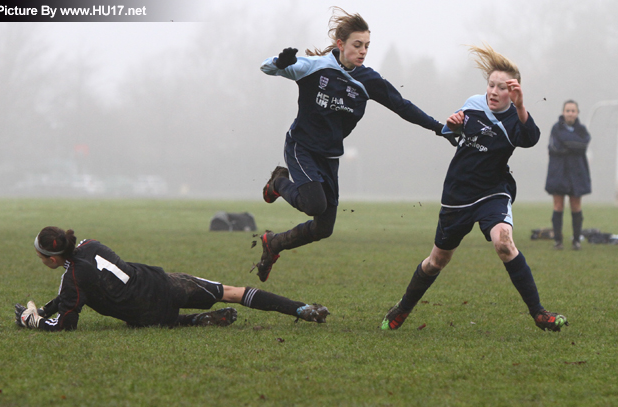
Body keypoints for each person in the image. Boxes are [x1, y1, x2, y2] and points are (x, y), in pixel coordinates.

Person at [252, 7, 457, 282]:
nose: (363, 51)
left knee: (324, 228)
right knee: (314, 204)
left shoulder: (368, 80)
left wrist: (438, 128)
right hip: (301, 147)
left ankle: (274, 244)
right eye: (357, 45)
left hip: (330, 156)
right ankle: (278, 182)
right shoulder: (314, 67)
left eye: (367, 46)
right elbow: (267, 67)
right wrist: (280, 61)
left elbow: (402, 106)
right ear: (340, 44)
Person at [381, 44, 568, 333]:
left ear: (513, 91)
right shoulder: (473, 103)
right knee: (436, 261)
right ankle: (403, 307)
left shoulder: (515, 118)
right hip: (457, 195)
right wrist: (453, 123)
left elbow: (530, 138)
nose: (493, 91)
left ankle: (539, 313)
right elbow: (450, 132)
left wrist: (520, 106)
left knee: (504, 242)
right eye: (491, 85)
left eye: (502, 87)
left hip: (493, 191)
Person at [14, 226, 329, 331]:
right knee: (231, 291)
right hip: (164, 283)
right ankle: (302, 309)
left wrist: (34, 320)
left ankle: (192, 322)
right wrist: (44, 308)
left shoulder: (73, 278)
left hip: (147, 315)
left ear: (53, 259)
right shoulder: (90, 245)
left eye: (41, 257)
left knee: (157, 319)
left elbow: (67, 320)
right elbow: (72, 295)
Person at [544, 100, 591, 251]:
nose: (570, 113)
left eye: (573, 111)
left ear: (577, 113)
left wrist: (567, 143)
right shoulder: (555, 128)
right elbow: (554, 147)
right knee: (558, 205)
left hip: (577, 173)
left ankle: (576, 241)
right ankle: (558, 241)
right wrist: (573, 146)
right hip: (558, 173)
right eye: (568, 110)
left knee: (576, 206)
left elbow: (583, 144)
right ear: (563, 112)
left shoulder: (582, 130)